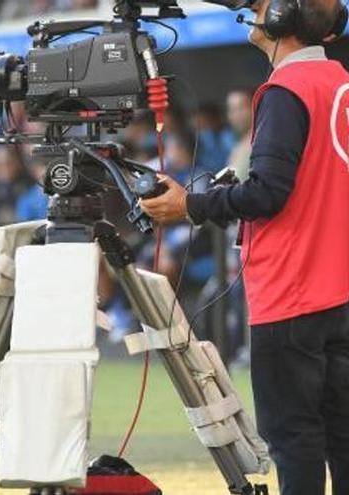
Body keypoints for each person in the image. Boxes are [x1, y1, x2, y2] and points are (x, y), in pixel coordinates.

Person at [140, 1, 349, 493]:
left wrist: (190, 206)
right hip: (338, 290)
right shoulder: (339, 82)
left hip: (292, 292)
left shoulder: (285, 90)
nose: (255, 11)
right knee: (341, 437)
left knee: (294, 437)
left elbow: (268, 194)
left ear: (281, 18)